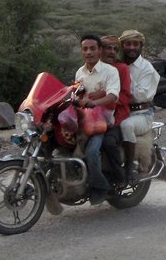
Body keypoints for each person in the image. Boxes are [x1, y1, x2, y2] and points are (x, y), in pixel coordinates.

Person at [75, 34, 120, 205]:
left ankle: (100, 186)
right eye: (85, 49)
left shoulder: (110, 71)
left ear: (100, 50)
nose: (88, 52)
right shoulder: (80, 72)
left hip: (101, 122)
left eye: (92, 48)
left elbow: (113, 96)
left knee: (92, 152)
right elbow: (77, 94)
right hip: (83, 121)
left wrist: (93, 103)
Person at [118, 29, 160, 185]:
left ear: (141, 46)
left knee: (126, 126)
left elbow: (141, 96)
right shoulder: (117, 65)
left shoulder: (146, 68)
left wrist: (124, 75)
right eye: (128, 44)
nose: (131, 47)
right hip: (121, 111)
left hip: (141, 114)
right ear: (122, 46)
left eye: (135, 44)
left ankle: (130, 166)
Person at [90, 35, 133, 186]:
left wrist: (102, 98)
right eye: (108, 48)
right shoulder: (91, 68)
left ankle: (119, 175)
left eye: (115, 49)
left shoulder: (121, 69)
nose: (112, 52)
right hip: (92, 116)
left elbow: (125, 96)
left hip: (116, 117)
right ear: (100, 50)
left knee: (108, 142)